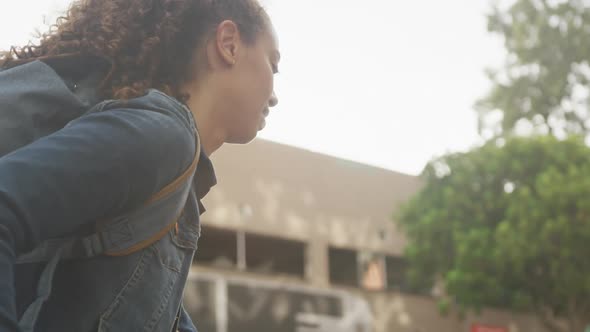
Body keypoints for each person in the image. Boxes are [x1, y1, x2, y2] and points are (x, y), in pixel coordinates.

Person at [0, 0, 280, 331]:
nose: (274, 96)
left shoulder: (174, 188)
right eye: (272, 65)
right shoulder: (165, 137)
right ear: (229, 44)